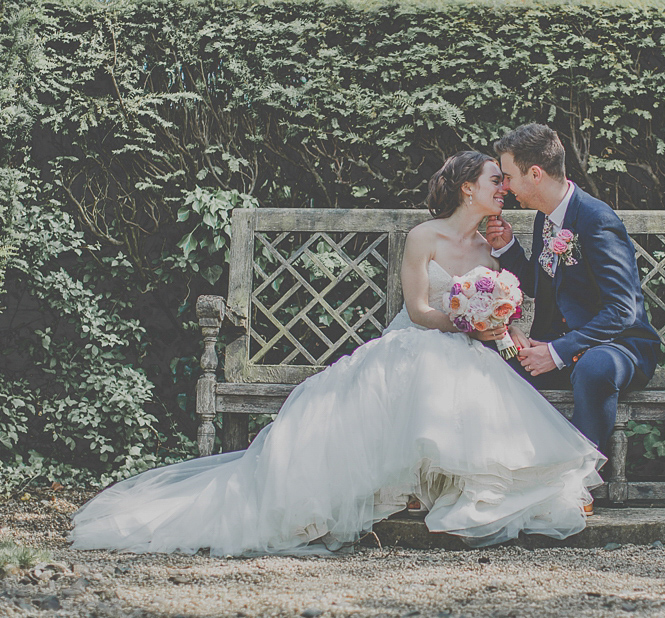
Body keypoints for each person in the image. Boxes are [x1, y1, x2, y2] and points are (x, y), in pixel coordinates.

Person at [68, 151, 605, 556]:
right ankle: (406, 488)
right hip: (423, 339)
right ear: (469, 188)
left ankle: (438, 490)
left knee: (472, 387)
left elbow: (507, 296)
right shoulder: (425, 237)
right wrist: (468, 323)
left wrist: (490, 326)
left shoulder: (492, 243)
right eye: (496, 180)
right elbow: (418, 310)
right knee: (427, 375)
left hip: (469, 344)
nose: (504, 187)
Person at [486, 124, 660, 450]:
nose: (506, 187)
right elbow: (543, 284)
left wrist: (557, 352)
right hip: (564, 346)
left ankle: (582, 479)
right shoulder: (546, 217)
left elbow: (623, 310)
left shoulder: (597, 219)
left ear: (535, 174)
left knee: (595, 367)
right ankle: (515, 464)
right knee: (494, 359)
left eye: (508, 176)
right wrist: (507, 248)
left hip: (617, 347)